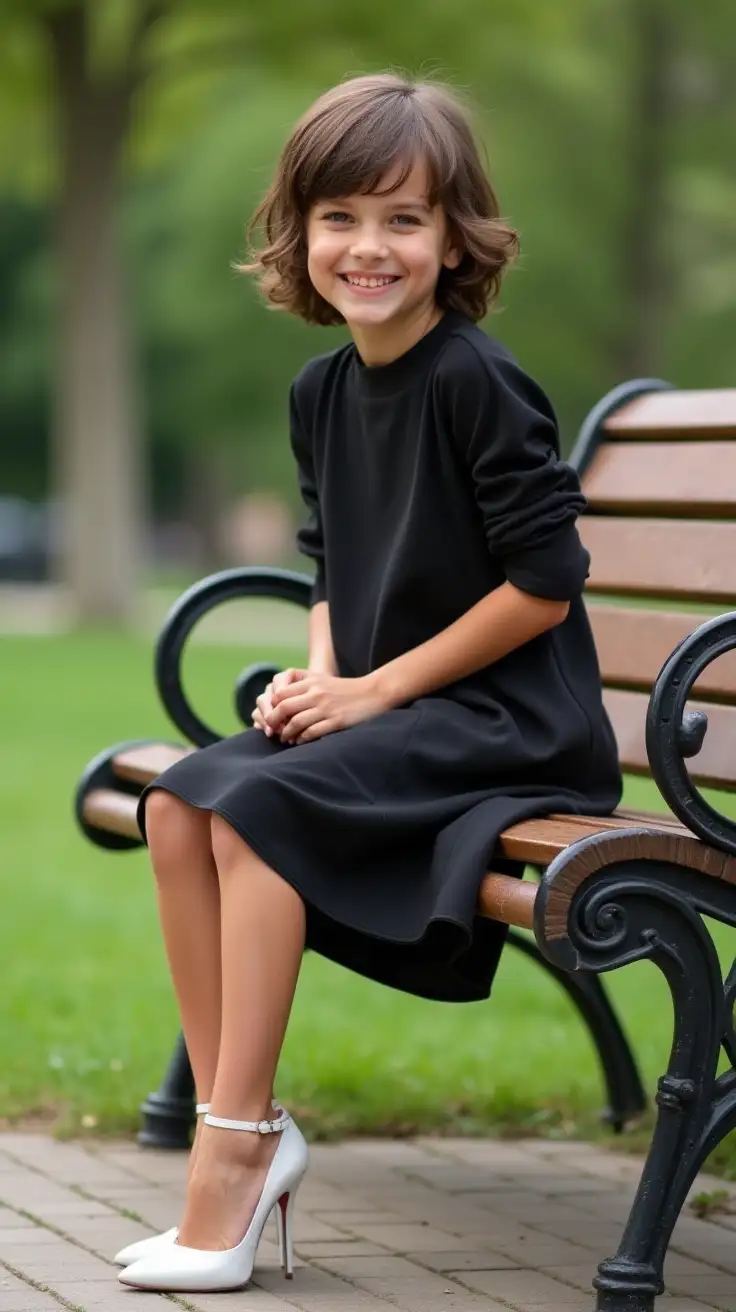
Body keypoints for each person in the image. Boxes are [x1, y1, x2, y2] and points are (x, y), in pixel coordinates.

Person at [117, 71, 622, 1294]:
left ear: (456, 240)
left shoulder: (474, 379)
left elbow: (544, 585)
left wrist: (372, 694)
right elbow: (335, 561)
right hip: (399, 702)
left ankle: (226, 1169)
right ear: (299, 233)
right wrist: (320, 678)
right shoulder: (323, 391)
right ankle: (250, 1126)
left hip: (512, 721)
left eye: (404, 219)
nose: (369, 246)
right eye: (340, 216)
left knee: (258, 813)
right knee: (180, 802)